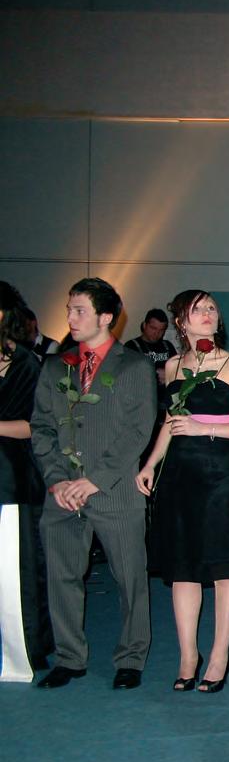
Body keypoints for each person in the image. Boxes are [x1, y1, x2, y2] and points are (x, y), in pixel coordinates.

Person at [29, 278, 157, 690]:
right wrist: (56, 480)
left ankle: (131, 658)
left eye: (79, 310)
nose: (70, 317)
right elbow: (41, 427)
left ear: (106, 317)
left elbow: (138, 432)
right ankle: (69, 657)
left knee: (130, 580)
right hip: (63, 494)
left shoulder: (134, 366)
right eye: (69, 309)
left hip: (114, 492)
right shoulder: (56, 366)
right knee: (61, 578)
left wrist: (94, 480)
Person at [135, 290, 229, 693]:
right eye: (197, 309)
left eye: (211, 309)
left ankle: (220, 654)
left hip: (221, 475)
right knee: (183, 569)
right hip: (180, 474)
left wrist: (205, 427)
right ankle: (188, 654)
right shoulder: (172, 366)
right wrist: (151, 464)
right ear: (181, 322)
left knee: (225, 568)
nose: (207, 314)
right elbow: (171, 423)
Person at [0, 283, 53, 681]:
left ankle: (28, 650)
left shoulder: (26, 365)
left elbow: (37, 427)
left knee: (20, 572)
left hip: (12, 479)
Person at [124, 308, 179, 386]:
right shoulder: (131, 346)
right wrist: (155, 374)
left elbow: (178, 369)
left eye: (161, 330)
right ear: (144, 325)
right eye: (153, 328)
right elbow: (127, 375)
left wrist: (169, 374)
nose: (157, 333)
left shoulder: (168, 346)